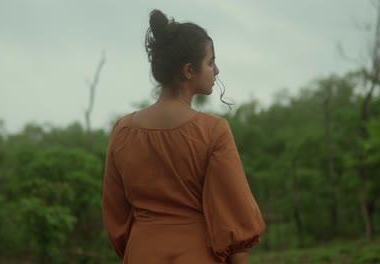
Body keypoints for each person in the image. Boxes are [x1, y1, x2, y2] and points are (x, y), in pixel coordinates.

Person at [102, 9, 265, 264]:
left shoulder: (122, 130)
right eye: (211, 62)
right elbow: (233, 219)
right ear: (189, 70)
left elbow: (116, 218)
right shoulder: (213, 131)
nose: (217, 70)